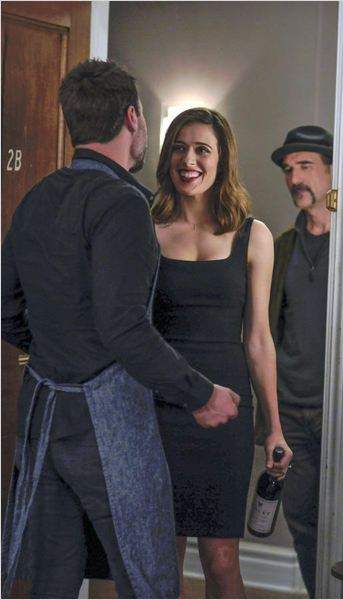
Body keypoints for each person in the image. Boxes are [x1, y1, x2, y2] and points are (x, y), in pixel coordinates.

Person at [1, 60, 241, 600]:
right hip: (105, 420)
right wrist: (201, 394)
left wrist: (57, 350)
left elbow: (4, 307)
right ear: (132, 118)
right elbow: (124, 328)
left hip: (42, 411)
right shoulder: (125, 204)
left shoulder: (38, 196)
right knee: (148, 577)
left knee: (53, 580)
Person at [151, 107, 293, 599]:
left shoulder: (254, 235)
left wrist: (273, 427)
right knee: (161, 556)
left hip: (227, 410)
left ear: (222, 159)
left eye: (202, 150)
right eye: (179, 148)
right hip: (159, 407)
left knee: (222, 558)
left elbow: (258, 338)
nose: (188, 160)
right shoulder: (146, 227)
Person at [255, 125, 333, 599]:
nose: (294, 178)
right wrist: (272, 418)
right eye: (289, 169)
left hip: (337, 408)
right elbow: (266, 332)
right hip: (292, 413)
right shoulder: (283, 246)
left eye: (305, 166)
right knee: (301, 518)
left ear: (332, 171)